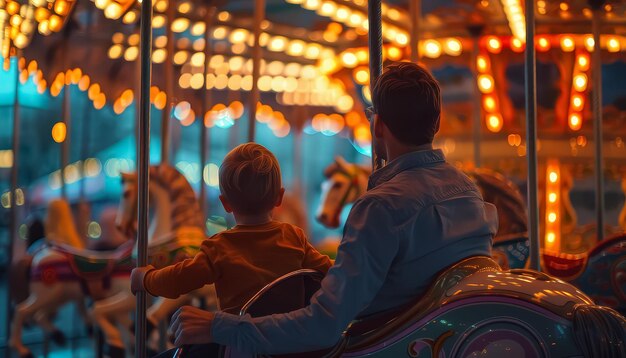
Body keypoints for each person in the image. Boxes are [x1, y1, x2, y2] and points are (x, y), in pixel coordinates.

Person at [166, 62, 499, 355]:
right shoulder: (468, 191)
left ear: (378, 126)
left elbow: (325, 324)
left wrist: (220, 326)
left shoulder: (381, 207)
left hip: (372, 344)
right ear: (437, 122)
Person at [131, 143, 333, 354]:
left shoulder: (219, 247)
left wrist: (145, 279)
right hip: (287, 345)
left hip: (238, 345)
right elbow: (329, 270)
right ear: (279, 198)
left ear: (225, 203)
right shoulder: (295, 237)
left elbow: (176, 281)